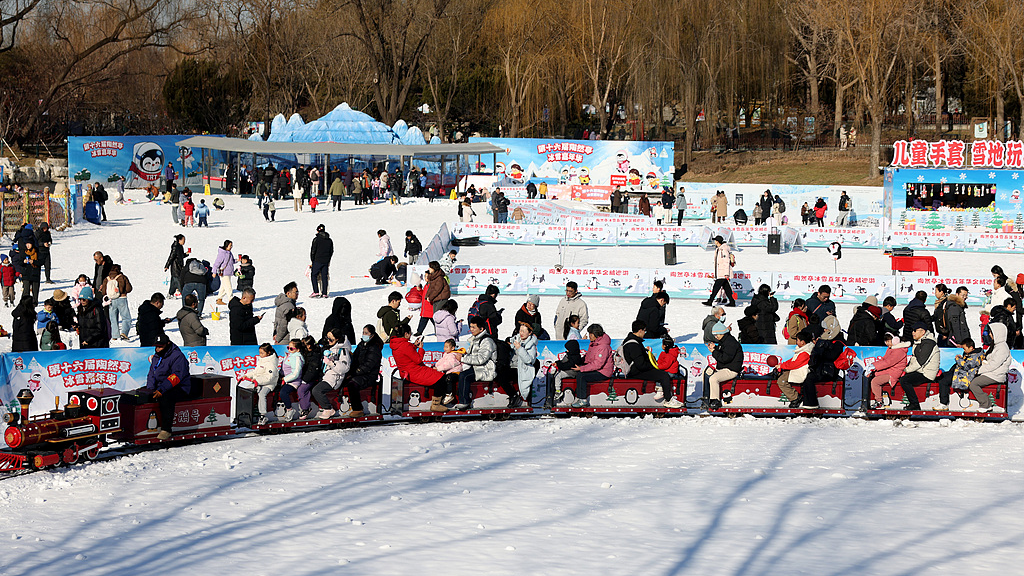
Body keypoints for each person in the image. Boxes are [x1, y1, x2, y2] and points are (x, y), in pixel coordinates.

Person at [391, 324, 450, 413]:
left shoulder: (396, 344)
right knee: (440, 378)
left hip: (406, 372)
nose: (410, 335)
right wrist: (421, 349)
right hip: (414, 372)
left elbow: (406, 353)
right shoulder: (405, 345)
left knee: (436, 376)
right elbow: (418, 359)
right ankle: (436, 404)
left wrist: (414, 346)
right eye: (410, 333)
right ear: (406, 334)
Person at [622, 320, 682, 408]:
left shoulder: (633, 341)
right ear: (640, 331)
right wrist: (653, 367)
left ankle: (663, 393)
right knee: (664, 375)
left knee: (661, 373)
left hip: (637, 368)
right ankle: (668, 400)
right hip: (636, 371)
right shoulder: (633, 345)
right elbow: (640, 364)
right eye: (644, 331)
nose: (645, 333)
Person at [145, 334, 190, 440]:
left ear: (167, 344)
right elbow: (152, 373)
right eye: (156, 346)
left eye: (160, 346)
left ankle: (166, 429)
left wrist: (162, 389)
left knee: (166, 398)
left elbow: (176, 376)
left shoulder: (177, 356)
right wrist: (150, 390)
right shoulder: (157, 356)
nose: (157, 349)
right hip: (162, 386)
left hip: (180, 387)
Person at [794, 318, 844, 408]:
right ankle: (806, 401)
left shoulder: (838, 342)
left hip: (829, 370)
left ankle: (811, 403)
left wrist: (822, 348)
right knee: (806, 377)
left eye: (827, 328)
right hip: (820, 368)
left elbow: (831, 356)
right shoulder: (824, 339)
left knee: (809, 379)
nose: (825, 330)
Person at [564, 324, 613, 408]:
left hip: (603, 371)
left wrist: (582, 368)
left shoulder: (603, 347)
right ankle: (577, 396)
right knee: (578, 372)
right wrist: (579, 362)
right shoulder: (594, 343)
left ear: (596, 334)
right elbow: (588, 357)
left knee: (582, 376)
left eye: (591, 334)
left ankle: (582, 399)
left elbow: (598, 364)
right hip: (596, 368)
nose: (589, 336)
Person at [455, 317, 498, 410]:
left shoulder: (487, 341)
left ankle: (464, 402)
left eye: (474, 327)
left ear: (481, 329)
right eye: (470, 327)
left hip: (485, 368)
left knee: (464, 376)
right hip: (476, 366)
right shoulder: (476, 339)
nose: (471, 329)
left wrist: (463, 358)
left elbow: (481, 359)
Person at [310, 328, 352, 419]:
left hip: (334, 378)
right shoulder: (331, 347)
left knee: (316, 390)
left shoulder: (343, 351)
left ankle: (328, 408)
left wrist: (331, 363)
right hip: (326, 375)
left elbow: (345, 368)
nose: (328, 341)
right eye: (327, 338)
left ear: (337, 339)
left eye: (331, 339)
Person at [897, 322, 940, 411]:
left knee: (904, 380)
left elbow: (920, 362)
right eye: (912, 330)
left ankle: (915, 404)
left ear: (923, 332)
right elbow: (914, 359)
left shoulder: (928, 343)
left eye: (915, 330)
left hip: (927, 373)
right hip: (921, 370)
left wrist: (906, 370)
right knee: (902, 377)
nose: (913, 332)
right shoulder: (921, 342)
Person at [703, 323, 742, 410]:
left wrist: (713, 351)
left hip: (731, 370)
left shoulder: (730, 343)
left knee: (713, 379)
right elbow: (723, 353)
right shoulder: (725, 341)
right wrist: (715, 348)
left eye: (717, 335)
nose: (716, 337)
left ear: (722, 333)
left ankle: (715, 401)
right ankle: (706, 398)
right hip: (724, 368)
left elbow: (725, 358)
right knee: (706, 373)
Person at [866, 333, 910, 408]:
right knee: (874, 375)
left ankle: (879, 401)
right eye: (885, 341)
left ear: (895, 340)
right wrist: (873, 365)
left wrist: (875, 366)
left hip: (894, 373)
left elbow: (888, 362)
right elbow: (884, 359)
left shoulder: (899, 350)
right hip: (890, 370)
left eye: (888, 341)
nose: (886, 343)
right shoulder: (892, 349)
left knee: (875, 381)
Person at [775, 330, 814, 407]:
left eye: (797, 340)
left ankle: (795, 398)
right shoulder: (802, 350)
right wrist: (782, 365)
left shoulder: (805, 353)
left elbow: (795, 364)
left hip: (799, 371)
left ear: (802, 342)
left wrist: (782, 366)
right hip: (795, 369)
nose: (796, 342)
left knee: (781, 381)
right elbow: (792, 360)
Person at [100, 264, 133, 341]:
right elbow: (129, 289)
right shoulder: (122, 277)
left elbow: (103, 292)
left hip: (111, 300)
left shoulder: (107, 278)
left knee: (113, 318)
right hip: (122, 299)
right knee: (126, 317)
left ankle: (114, 335)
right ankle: (124, 332)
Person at [278, 339, 306, 421]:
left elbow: (296, 373)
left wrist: (285, 379)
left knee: (283, 392)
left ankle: (289, 410)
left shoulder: (297, 358)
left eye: (291, 348)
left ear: (298, 349)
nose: (289, 350)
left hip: (293, 382)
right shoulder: (290, 355)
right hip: (286, 379)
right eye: (288, 347)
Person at [703, 236, 735, 307]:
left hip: (723, 273)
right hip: (720, 272)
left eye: (715, 241)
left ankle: (710, 301)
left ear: (717, 241)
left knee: (716, 287)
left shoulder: (723, 250)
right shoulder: (719, 249)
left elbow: (726, 262)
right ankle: (732, 301)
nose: (714, 242)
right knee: (727, 288)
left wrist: (726, 273)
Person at [511, 323, 538, 407]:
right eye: (520, 330)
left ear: (529, 333)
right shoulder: (517, 340)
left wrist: (520, 349)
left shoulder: (531, 345)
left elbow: (529, 360)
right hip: (514, 366)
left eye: (523, 331)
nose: (521, 333)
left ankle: (519, 399)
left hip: (524, 369)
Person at [309, 224, 334, 298]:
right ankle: (324, 293)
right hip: (326, 261)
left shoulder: (316, 239)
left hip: (317, 260)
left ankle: (316, 291)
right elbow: (331, 251)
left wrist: (313, 260)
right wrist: (328, 259)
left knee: (314, 275)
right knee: (324, 276)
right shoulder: (329, 240)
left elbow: (313, 251)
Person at [213, 240, 237, 306]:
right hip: (224, 273)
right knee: (228, 287)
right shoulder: (222, 253)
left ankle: (219, 299)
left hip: (229, 272)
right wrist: (214, 272)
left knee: (224, 287)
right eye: (230, 245)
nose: (231, 247)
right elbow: (217, 263)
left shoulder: (229, 253)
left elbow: (231, 261)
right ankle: (231, 299)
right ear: (226, 245)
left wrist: (237, 260)